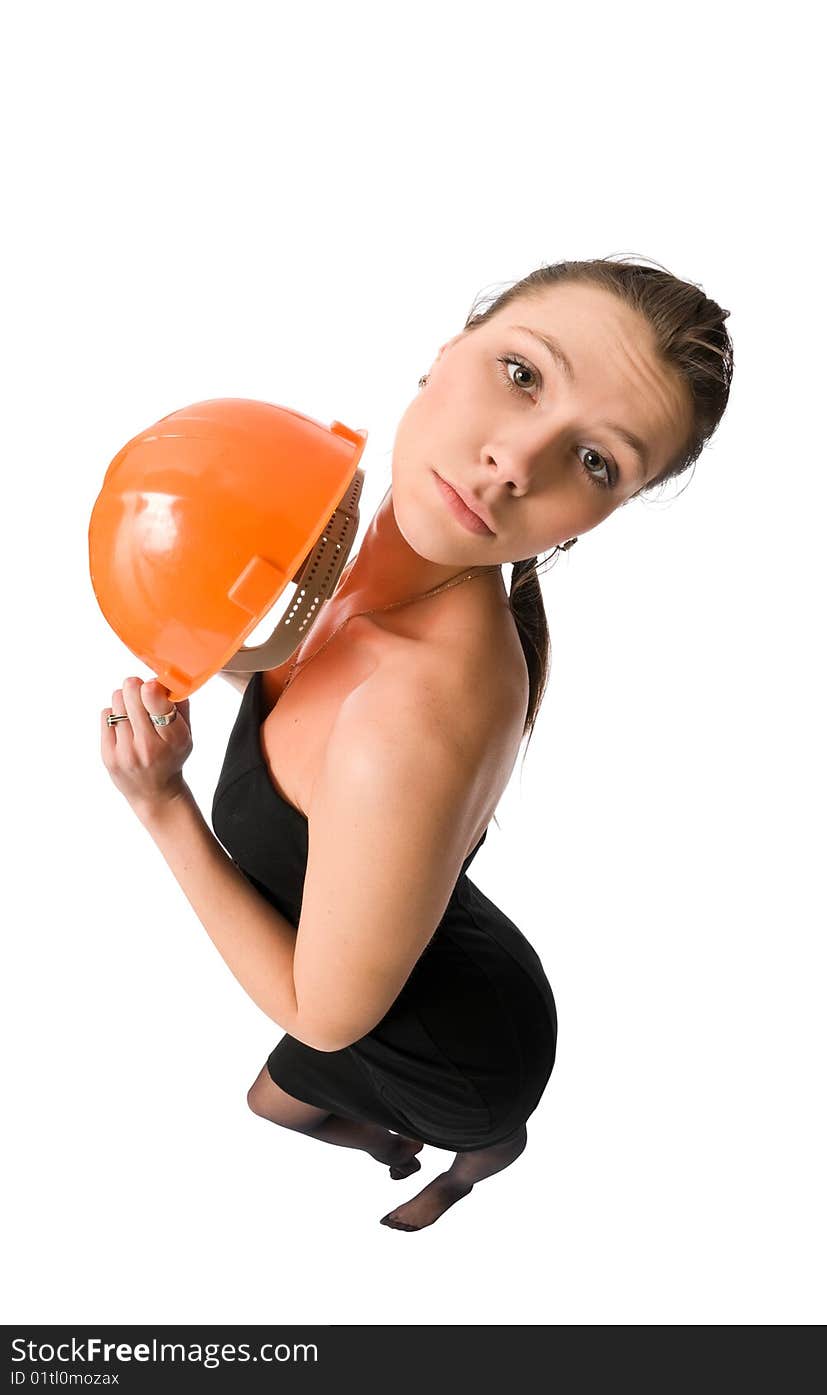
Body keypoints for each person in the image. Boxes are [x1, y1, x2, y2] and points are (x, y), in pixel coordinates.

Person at [100, 255, 734, 1233]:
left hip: (463, 1048)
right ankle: (402, 1147)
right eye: (522, 373)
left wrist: (162, 806)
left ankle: (479, 1156)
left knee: (283, 1105)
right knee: (280, 1105)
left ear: (603, 514)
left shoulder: (412, 714)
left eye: (598, 461)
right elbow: (303, 673)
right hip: (460, 958)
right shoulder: (368, 541)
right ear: (447, 351)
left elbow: (323, 1017)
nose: (518, 462)